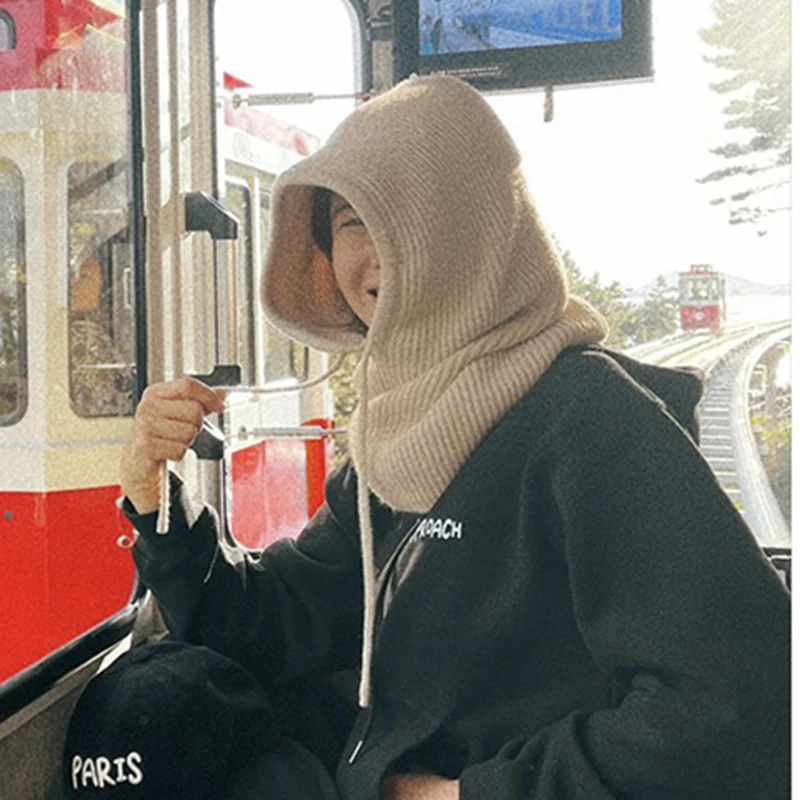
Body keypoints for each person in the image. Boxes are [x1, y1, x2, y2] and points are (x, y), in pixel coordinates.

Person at [117, 75, 790, 799]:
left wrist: (472, 795)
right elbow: (282, 622)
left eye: (396, 218)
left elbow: (746, 703)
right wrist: (157, 500)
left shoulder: (587, 419)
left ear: (469, 229)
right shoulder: (395, 431)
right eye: (348, 224)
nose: (370, 256)